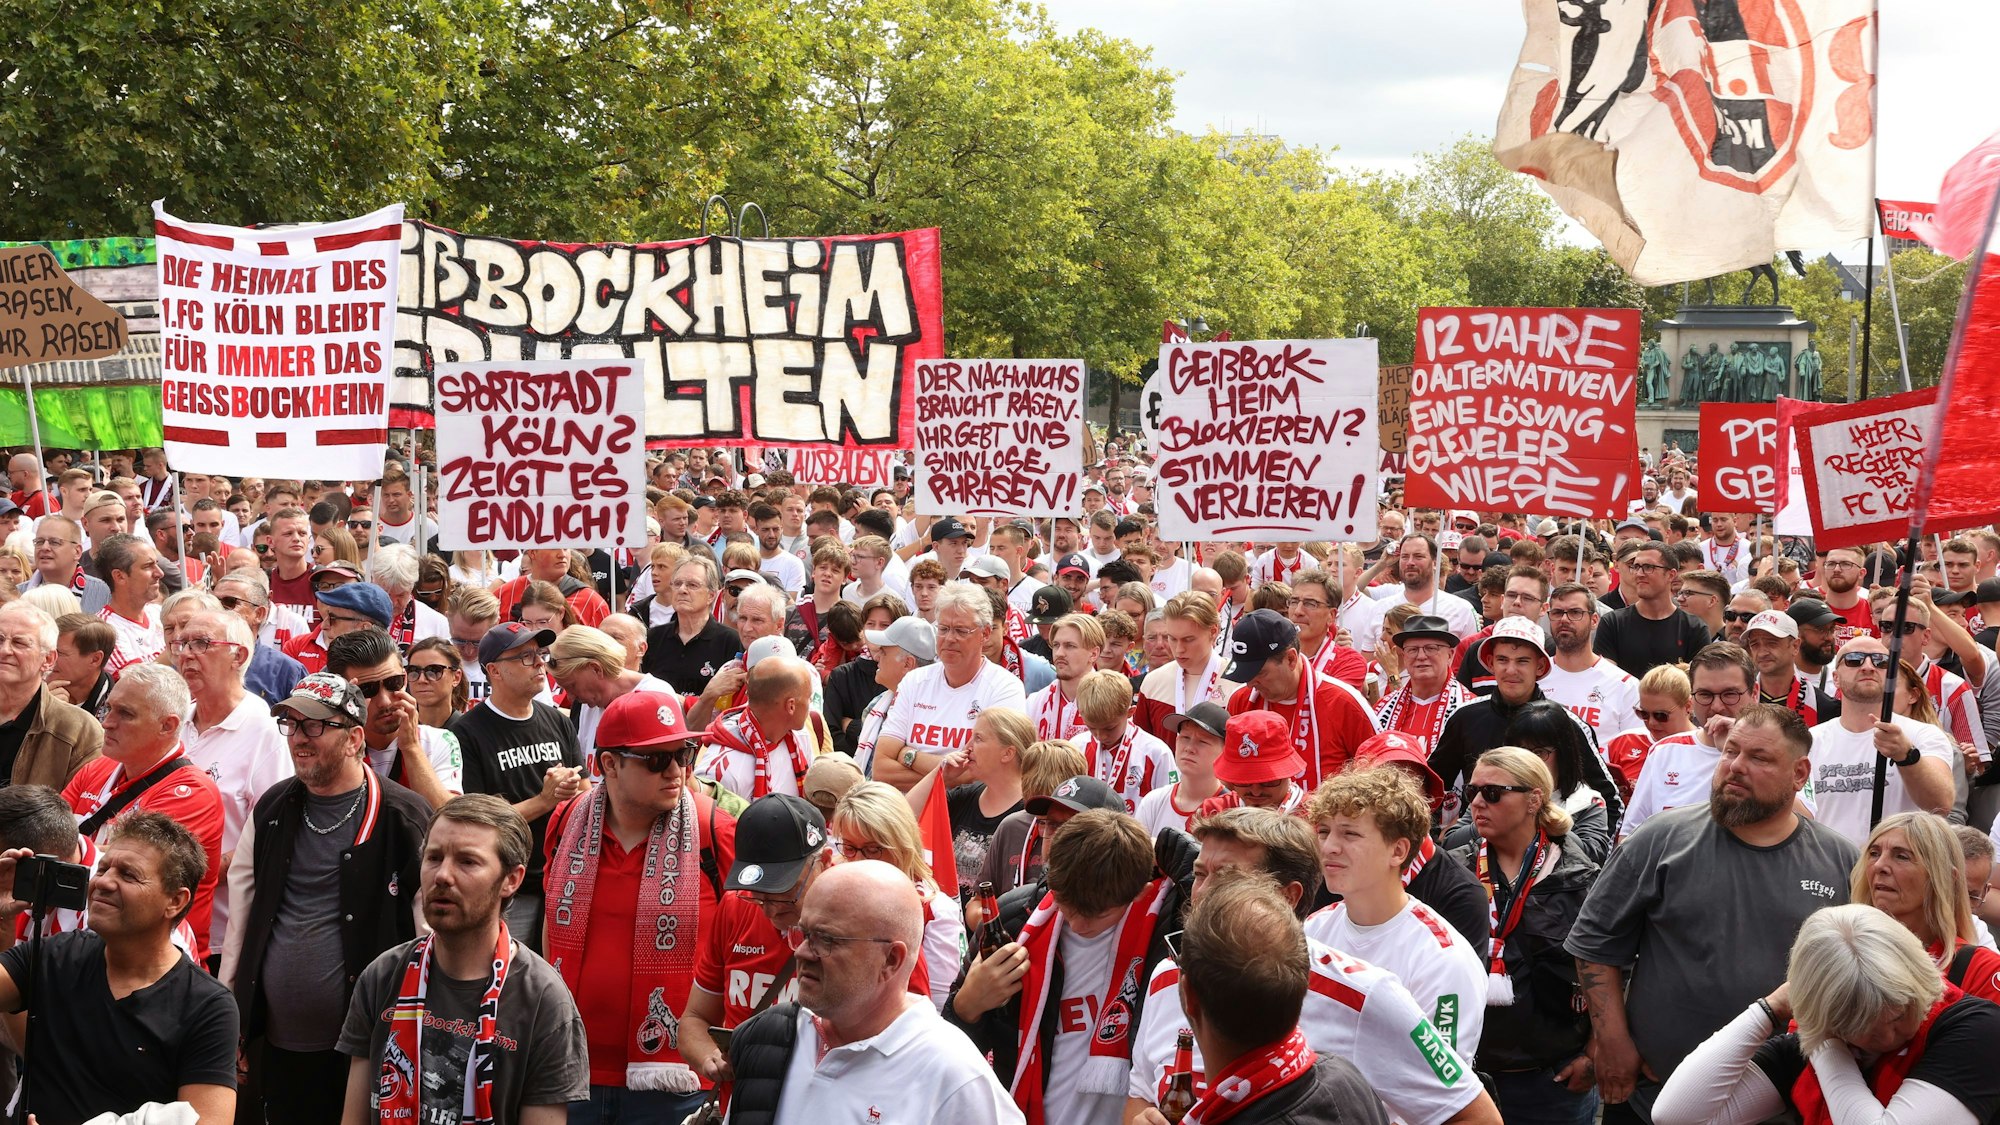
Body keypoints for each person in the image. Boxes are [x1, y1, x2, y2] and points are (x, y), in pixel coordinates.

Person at [1567, 705, 1859, 1122]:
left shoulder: (1840, 861)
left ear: (1799, 774)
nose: (1735, 767)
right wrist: (1612, 1041)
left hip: (1779, 1102)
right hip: (1653, 1094)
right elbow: (1595, 944)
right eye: (1730, 751)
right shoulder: (1660, 839)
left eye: (1758, 757)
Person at [1126, 810, 1499, 1125]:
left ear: (1287, 896)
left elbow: (1474, 1117)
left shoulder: (1365, 994)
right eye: (1200, 874)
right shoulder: (1169, 975)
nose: (1202, 893)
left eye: (1228, 879)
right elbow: (1141, 1092)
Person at [221, 673, 431, 1125]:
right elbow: (242, 922)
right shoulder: (273, 808)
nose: (299, 738)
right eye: (291, 724)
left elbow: (429, 935)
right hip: (278, 1045)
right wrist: (235, 1018)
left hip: (371, 1047)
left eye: (315, 725)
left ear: (355, 739)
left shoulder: (403, 816)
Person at [543, 690, 736, 1123]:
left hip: (677, 1080)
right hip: (569, 1067)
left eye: (683, 754)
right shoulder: (566, 821)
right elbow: (551, 928)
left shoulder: (715, 831)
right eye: (656, 759)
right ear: (609, 764)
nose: (676, 770)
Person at [337, 794, 589, 1125]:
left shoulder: (543, 1000)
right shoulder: (382, 976)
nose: (442, 875)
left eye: (467, 862)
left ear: (511, 880)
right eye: (434, 857)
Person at [723, 861, 1022, 1125]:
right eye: (803, 933)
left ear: (891, 959)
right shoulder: (767, 1037)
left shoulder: (955, 1076)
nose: (801, 952)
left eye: (826, 940)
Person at [947, 809, 1191, 1125]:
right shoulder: (1014, 921)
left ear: (1140, 893)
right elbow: (950, 1050)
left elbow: (1226, 885)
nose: (1076, 925)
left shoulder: (1168, 929)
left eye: (1097, 915)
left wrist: (1164, 844)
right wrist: (966, 1007)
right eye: (1066, 905)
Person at [1653, 903, 2000, 1125]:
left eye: (1898, 1015)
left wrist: (1825, 1044)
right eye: (1866, 1028)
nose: (1889, 1036)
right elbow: (1675, 1114)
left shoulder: (1975, 1028)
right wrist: (1771, 1008)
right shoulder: (1822, 1041)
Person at [0, 811, 238, 1124]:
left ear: (175, 901)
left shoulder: (207, 1007)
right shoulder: (58, 953)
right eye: (103, 868)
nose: (103, 882)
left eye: (128, 875)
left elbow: (208, 1119)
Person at [1448, 747, 1601, 1124]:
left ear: (1534, 799)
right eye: (1472, 792)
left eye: (1493, 793)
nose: (1477, 803)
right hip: (1466, 1080)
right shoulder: (1454, 870)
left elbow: (1611, 967)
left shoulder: (1580, 876)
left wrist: (1594, 1053)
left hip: (1553, 1081)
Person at [1305, 765, 1489, 1057]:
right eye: (1324, 832)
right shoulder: (1311, 931)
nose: (1329, 847)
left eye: (1349, 834)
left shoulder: (1444, 960)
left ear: (1398, 851)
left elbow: (1440, 1079)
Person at [62, 663, 226, 960]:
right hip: (83, 945)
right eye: (109, 708)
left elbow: (125, 869)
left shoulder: (193, 793)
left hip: (152, 962)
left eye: (125, 714)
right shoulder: (98, 768)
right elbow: (55, 834)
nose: (107, 723)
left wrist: (63, 845)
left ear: (168, 726)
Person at [447, 622, 587, 949]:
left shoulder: (558, 720)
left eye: (539, 653)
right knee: (507, 971)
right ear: (494, 671)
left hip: (563, 879)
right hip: (509, 886)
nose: (539, 663)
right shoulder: (467, 733)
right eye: (525, 657)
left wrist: (573, 791)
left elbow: (584, 792)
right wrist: (545, 799)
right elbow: (478, 822)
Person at [679, 794, 833, 1086]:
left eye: (784, 893)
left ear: (823, 862)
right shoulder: (736, 906)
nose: (770, 911)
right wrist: (709, 1058)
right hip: (744, 1101)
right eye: (759, 895)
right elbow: (694, 1020)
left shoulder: (866, 916)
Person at [1429, 616, 1622, 830]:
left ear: (1540, 666)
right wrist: (1434, 841)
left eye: (1522, 661)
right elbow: (1430, 787)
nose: (1511, 670)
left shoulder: (1567, 723)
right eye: (1503, 660)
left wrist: (1587, 848)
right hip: (1476, 844)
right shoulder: (1465, 716)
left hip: (1554, 845)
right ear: (1491, 664)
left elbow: (1611, 801)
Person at [174, 607, 292, 951]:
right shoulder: (173, 721)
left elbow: (270, 837)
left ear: (238, 656)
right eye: (182, 644)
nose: (186, 654)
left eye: (201, 643)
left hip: (219, 935)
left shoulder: (266, 733)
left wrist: (182, 876)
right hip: (155, 920)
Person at [869, 582, 1028, 790]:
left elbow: (982, 774)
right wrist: (947, 776)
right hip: (907, 807)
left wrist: (909, 754)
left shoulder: (1005, 688)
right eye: (943, 629)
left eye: (961, 631)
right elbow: (881, 769)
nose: (950, 639)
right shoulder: (914, 681)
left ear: (985, 633)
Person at [828, 780, 965, 1009]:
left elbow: (940, 1008)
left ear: (902, 845)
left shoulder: (935, 911)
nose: (859, 860)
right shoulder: (827, 891)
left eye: (873, 850)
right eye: (849, 848)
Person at [1806, 636, 1955, 845]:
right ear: (1836, 678)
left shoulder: (1923, 735)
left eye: (1880, 662)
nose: (1868, 667)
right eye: (1854, 659)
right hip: (1829, 861)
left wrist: (1907, 757)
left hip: (1896, 860)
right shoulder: (1810, 741)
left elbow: (1941, 805)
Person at [1223, 608, 1379, 792]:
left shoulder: (1344, 702)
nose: (1250, 684)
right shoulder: (1241, 700)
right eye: (1245, 675)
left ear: (1291, 659)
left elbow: (1379, 780)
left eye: (1259, 673)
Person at [1852, 811, 2000, 1002]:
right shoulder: (1837, 948)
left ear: (1946, 878)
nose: (1879, 865)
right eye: (1874, 853)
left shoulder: (1981, 970)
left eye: (1901, 856)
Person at [1621, 643, 1758, 838]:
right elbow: (1630, 834)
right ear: (1691, 699)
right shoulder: (1664, 751)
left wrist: (1739, 748)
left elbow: (1798, 819)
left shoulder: (1775, 751)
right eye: (1705, 695)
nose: (1716, 706)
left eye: (1730, 694)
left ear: (1754, 694)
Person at [327, 627, 462, 809]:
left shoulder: (438, 740)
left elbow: (447, 814)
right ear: (342, 692)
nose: (385, 701)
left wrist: (411, 748)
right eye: (367, 690)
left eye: (393, 683)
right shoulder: (325, 741)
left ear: (405, 679)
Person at [903, 706, 1029, 898]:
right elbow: (904, 817)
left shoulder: (1030, 811)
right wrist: (940, 776)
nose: (967, 747)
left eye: (978, 739)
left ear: (1007, 753)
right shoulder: (965, 797)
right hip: (949, 913)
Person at [0, 602, 102, 787]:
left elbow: (81, 802)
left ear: (48, 659)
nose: (4, 650)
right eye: (0, 639)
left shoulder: (80, 731)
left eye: (19, 643)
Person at [696, 654, 822, 800]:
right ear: (791, 706)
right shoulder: (723, 771)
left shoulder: (799, 736)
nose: (810, 703)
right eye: (808, 697)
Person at [1540, 583, 1643, 752]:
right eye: (1557, 613)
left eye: (1575, 612)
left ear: (1594, 620)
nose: (1564, 619)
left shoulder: (1625, 685)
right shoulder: (1535, 677)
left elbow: (1633, 752)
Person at [548, 623, 674, 758]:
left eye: (572, 686)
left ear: (596, 669)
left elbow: (665, 765)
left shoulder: (655, 695)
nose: (570, 697)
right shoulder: (591, 703)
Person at [1593, 543, 1712, 679]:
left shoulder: (1694, 628)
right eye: (1636, 567)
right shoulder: (1612, 623)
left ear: (1671, 574)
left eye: (1648, 567)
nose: (1639, 574)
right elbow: (1606, 679)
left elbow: (1699, 681)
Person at [1073, 668, 1174, 814]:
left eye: (1109, 728)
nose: (1101, 736)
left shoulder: (1157, 753)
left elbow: (1167, 807)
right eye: (1092, 728)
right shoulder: (1077, 748)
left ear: (1130, 712)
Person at [1373, 612, 1474, 751]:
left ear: (1450, 655)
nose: (1421, 656)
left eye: (1431, 648)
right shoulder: (1382, 709)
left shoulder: (1469, 710)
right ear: (1404, 656)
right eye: (1412, 650)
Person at [1135, 701, 1226, 836]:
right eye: (1185, 737)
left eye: (1202, 742)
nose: (1189, 748)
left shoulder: (1235, 807)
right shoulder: (1153, 802)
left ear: (1225, 750)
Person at [93, 532, 166, 677]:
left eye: (157, 564)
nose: (160, 573)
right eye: (148, 566)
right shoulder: (105, 630)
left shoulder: (159, 612)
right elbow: (138, 681)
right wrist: (176, 646)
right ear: (119, 576)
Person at [1026, 612, 1099, 744]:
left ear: (1093, 654)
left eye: (1070, 646)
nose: (1059, 653)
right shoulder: (1035, 702)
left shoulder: (1110, 702)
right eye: (1056, 645)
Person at [25, 515, 110, 614]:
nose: (44, 547)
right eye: (39, 542)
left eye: (54, 542)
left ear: (77, 552)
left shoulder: (100, 592)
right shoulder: (19, 593)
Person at [49, 610, 115, 720]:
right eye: (47, 649)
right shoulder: (30, 687)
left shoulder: (117, 711)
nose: (47, 657)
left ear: (95, 659)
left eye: (59, 653)